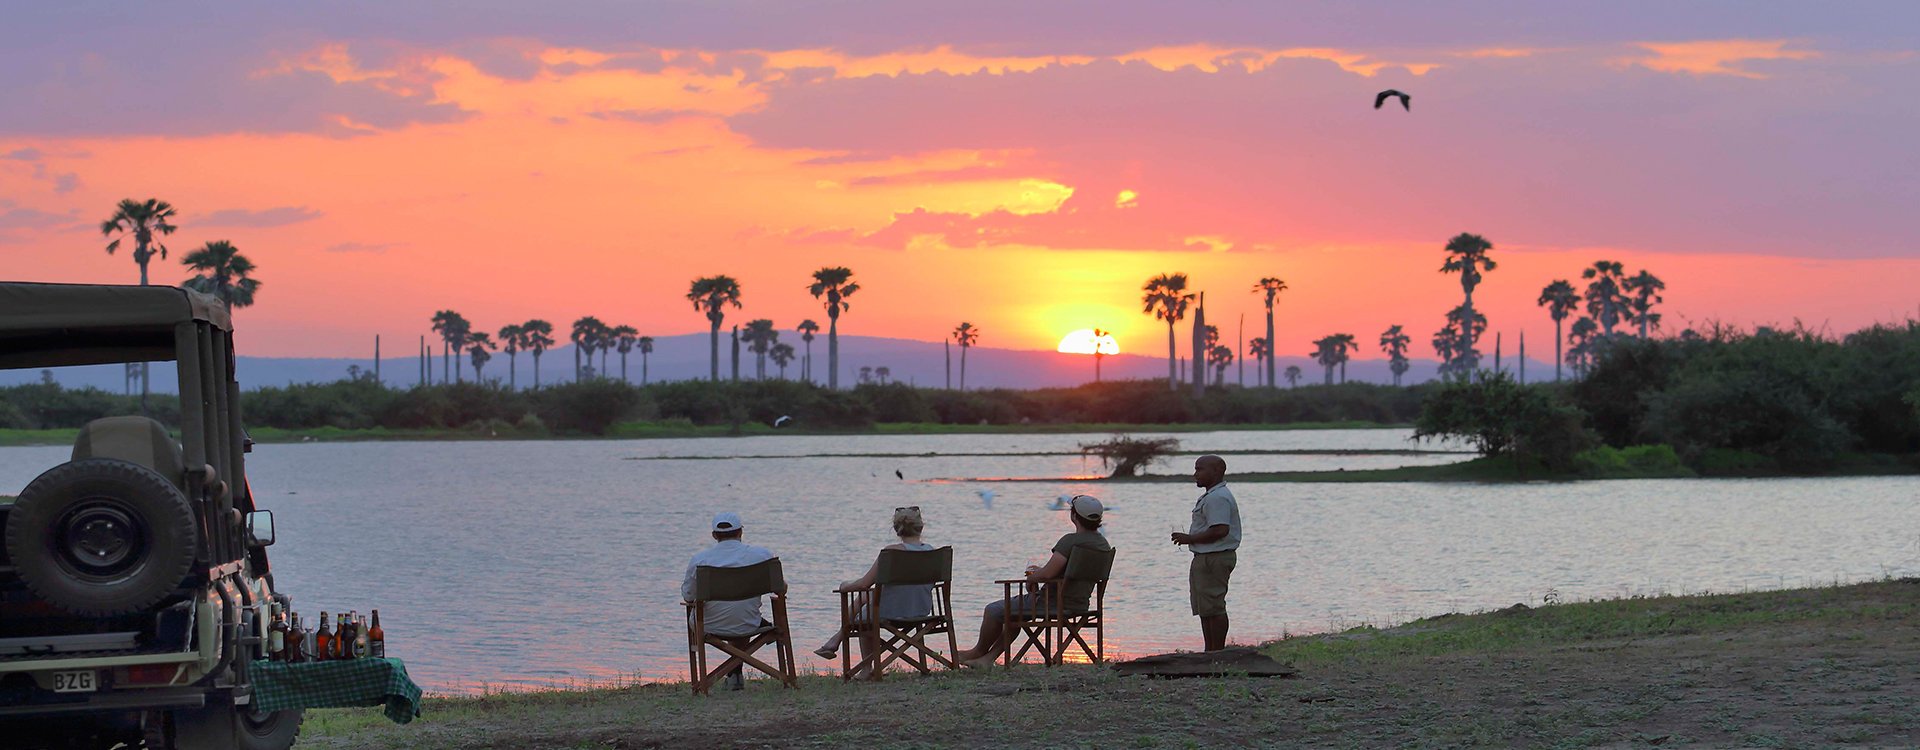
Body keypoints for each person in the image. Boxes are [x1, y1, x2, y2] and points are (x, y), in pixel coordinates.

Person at [955, 495, 1111, 667]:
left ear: (1074, 516)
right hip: (1080, 604)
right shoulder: (1103, 544)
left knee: (993, 610)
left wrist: (1032, 577)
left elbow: (1047, 575)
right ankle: (987, 659)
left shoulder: (1070, 541)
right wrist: (1040, 573)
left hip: (1051, 603)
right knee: (1014, 612)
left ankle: (979, 651)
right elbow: (1061, 571)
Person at [813, 506, 936, 668]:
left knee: (866, 613)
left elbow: (864, 583)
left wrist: (845, 585)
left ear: (896, 529)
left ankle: (862, 665)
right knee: (866, 598)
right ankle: (836, 638)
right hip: (921, 609)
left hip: (892, 612)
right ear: (921, 527)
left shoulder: (892, 552)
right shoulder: (932, 552)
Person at [681, 511, 775, 690]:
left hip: (708, 625)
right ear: (740, 532)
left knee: (725, 612)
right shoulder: (762, 555)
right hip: (750, 622)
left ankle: (727, 676)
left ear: (714, 535)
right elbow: (780, 588)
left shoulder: (700, 560)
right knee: (740, 613)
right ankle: (735, 674)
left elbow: (688, 596)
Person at [1171, 455, 1240, 651]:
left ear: (1216, 471)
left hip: (1215, 557)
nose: (1195, 474)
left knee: (1214, 607)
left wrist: (1189, 538)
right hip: (1206, 557)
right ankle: (1210, 652)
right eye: (1195, 469)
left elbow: (1220, 530)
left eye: (1200, 469)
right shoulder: (1213, 496)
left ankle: (1216, 653)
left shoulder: (1218, 497)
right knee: (1205, 608)